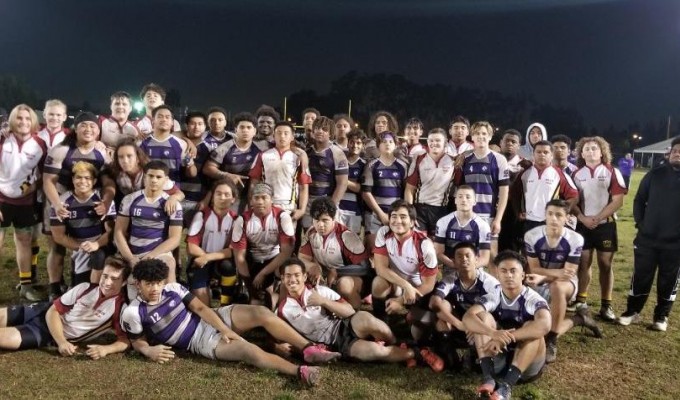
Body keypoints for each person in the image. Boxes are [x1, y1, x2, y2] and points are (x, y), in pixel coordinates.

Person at [121, 259, 341, 387]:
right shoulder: (133, 312)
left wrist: (224, 328)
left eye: (158, 283)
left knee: (261, 312)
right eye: (149, 284)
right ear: (137, 284)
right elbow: (137, 341)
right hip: (198, 340)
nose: (155, 289)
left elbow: (201, 308)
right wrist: (149, 351)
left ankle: (309, 349)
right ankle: (299, 371)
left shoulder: (173, 289)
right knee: (248, 350)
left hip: (212, 317)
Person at [277, 258, 444, 370]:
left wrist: (324, 302)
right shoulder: (282, 310)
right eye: (288, 276)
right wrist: (277, 346)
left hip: (344, 324)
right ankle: (417, 353)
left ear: (304, 276)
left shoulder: (320, 291)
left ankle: (397, 343)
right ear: (283, 279)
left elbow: (349, 311)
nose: (293, 280)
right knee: (377, 352)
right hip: (335, 344)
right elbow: (275, 333)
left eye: (297, 275)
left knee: (369, 320)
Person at [43, 111, 114, 300]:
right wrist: (57, 204)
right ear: (75, 129)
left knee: (95, 239)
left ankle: (91, 278)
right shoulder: (61, 150)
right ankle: (54, 286)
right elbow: (48, 181)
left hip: (88, 199)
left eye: (93, 126)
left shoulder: (101, 153)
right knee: (57, 246)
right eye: (84, 125)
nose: (88, 129)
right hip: (61, 199)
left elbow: (108, 184)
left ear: (98, 131)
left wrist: (106, 202)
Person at [0, 256, 130, 358]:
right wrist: (62, 342)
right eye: (105, 276)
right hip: (42, 311)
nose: (107, 282)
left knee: (5, 339)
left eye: (114, 279)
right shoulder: (84, 288)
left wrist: (106, 349)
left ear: (124, 282)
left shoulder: (120, 309)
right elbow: (53, 311)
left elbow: (125, 341)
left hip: (46, 333)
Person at [463, 250, 551, 400]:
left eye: (513, 271)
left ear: (522, 275)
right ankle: (488, 378)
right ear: (498, 274)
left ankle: (506, 387)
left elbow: (545, 325)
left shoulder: (532, 298)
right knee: (482, 317)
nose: (508, 275)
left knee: (533, 329)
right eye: (504, 271)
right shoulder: (493, 295)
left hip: (526, 368)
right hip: (499, 359)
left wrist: (506, 337)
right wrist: (493, 333)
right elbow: (467, 318)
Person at [524, 200, 602, 363]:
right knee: (534, 329)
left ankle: (552, 340)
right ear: (544, 216)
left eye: (559, 215)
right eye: (550, 214)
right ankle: (579, 319)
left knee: (557, 287)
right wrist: (554, 273)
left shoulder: (575, 239)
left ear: (567, 218)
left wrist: (545, 276)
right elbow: (534, 269)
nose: (553, 218)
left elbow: (568, 274)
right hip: (537, 280)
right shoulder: (532, 235)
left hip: (565, 284)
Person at [618, 137, 680, 331]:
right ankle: (632, 312)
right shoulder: (655, 174)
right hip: (647, 239)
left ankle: (661, 317)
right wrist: (641, 224)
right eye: (676, 150)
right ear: (669, 154)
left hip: (675, 244)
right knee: (641, 276)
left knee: (668, 281)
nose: (678, 154)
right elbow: (638, 200)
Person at [571, 136, 627, 321]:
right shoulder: (577, 174)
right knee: (584, 262)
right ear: (581, 153)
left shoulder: (612, 171)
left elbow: (619, 200)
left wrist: (598, 218)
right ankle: (581, 301)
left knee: (605, 264)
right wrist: (582, 218)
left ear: (602, 151)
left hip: (605, 225)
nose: (590, 151)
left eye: (594, 148)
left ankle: (606, 305)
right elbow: (572, 201)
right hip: (584, 225)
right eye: (586, 148)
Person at [0, 104, 48, 301]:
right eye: (19, 118)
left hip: (25, 202)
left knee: (24, 241)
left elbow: (44, 174)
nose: (23, 122)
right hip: (1, 199)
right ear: (13, 120)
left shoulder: (39, 144)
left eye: (28, 119)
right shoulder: (3, 138)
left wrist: (33, 186)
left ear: (33, 121)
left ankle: (26, 285)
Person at [114, 160, 183, 296]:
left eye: (158, 177)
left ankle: (173, 306)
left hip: (158, 252)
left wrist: (150, 256)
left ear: (166, 180)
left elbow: (175, 239)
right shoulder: (129, 200)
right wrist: (131, 258)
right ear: (144, 177)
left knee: (168, 264)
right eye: (150, 176)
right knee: (129, 292)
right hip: (132, 253)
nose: (154, 180)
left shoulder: (172, 204)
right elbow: (119, 232)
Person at [428, 242, 499, 369]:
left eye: (468, 255)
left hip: (485, 327)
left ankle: (478, 357)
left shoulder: (489, 282)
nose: (464, 259)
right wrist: (458, 324)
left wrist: (474, 325)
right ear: (454, 261)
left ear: (476, 259)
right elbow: (433, 303)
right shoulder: (450, 280)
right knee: (442, 309)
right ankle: (450, 358)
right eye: (459, 256)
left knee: (484, 315)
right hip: (463, 327)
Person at [371, 200, 438, 330]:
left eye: (403, 217)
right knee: (378, 283)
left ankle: (411, 316)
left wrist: (401, 301)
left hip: (419, 288)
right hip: (398, 283)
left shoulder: (424, 245)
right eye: (394, 216)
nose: (397, 221)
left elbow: (429, 285)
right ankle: (380, 323)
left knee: (418, 328)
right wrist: (405, 286)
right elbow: (380, 268)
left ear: (412, 222)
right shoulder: (383, 233)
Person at [50, 162, 116, 285]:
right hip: (79, 248)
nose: (83, 181)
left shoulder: (103, 200)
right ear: (73, 179)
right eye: (79, 177)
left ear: (95, 181)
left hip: (103, 245)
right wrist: (81, 247)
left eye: (87, 178)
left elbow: (112, 231)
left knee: (99, 257)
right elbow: (58, 235)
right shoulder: (61, 202)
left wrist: (97, 244)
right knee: (80, 288)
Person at [299, 197, 371, 309]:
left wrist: (337, 271)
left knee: (344, 284)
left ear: (333, 218)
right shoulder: (311, 233)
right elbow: (302, 258)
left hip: (354, 278)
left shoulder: (346, 236)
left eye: (325, 220)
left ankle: (354, 314)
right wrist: (313, 266)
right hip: (328, 276)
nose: (320, 225)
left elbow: (365, 268)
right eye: (316, 220)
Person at [231, 183, 294, 306]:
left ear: (272, 200)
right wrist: (251, 288)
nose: (260, 202)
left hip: (275, 259)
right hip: (253, 261)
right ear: (251, 201)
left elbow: (286, 252)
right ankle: (245, 293)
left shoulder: (283, 217)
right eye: (256, 198)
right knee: (256, 302)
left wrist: (263, 273)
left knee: (288, 266)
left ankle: (282, 302)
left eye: (264, 197)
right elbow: (240, 258)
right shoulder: (242, 220)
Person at [459, 121, 510, 272]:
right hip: (468, 216)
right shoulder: (465, 159)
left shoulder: (499, 159)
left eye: (484, 134)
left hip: (488, 215)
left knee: (492, 257)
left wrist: (498, 219)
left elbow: (504, 192)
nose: (481, 136)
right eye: (477, 133)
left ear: (490, 137)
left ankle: (494, 293)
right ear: (472, 136)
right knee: (468, 256)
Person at [186, 179, 239, 306]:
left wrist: (208, 257)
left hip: (220, 260)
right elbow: (191, 247)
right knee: (202, 305)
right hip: (200, 259)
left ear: (233, 199)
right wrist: (204, 258)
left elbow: (233, 250)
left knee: (228, 266)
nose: (222, 197)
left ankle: (225, 304)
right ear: (212, 196)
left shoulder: (237, 220)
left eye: (227, 194)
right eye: (218, 193)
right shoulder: (201, 216)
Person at [203, 112, 266, 213]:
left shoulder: (261, 148)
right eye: (242, 127)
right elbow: (207, 168)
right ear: (236, 130)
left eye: (249, 127)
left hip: (252, 198)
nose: (245, 130)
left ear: (254, 131)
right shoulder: (225, 148)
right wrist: (228, 175)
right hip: (229, 198)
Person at [512, 140, 578, 233]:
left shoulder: (559, 174)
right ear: (533, 154)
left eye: (545, 152)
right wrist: (517, 212)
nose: (542, 154)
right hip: (529, 222)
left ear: (551, 155)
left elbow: (574, 196)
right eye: (538, 152)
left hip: (550, 223)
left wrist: (560, 214)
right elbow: (514, 194)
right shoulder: (524, 174)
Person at [249, 121, 310, 221]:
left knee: (286, 236)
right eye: (279, 133)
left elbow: (303, 186)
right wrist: (252, 205)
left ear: (292, 137)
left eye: (286, 133)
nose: (282, 136)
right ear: (273, 135)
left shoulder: (299, 158)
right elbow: (253, 183)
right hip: (266, 205)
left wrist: (302, 210)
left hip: (289, 208)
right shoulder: (263, 155)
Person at [404, 128, 456, 237]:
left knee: (436, 246)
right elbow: (409, 189)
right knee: (419, 244)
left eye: (437, 140)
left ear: (445, 143)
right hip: (419, 209)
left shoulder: (453, 160)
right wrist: (409, 213)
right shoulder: (419, 157)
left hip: (440, 209)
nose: (434, 143)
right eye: (431, 140)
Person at [362, 132, 409, 249]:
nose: (387, 144)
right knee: (374, 252)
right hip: (375, 215)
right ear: (378, 146)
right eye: (384, 142)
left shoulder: (403, 166)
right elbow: (366, 193)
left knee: (394, 253)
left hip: (395, 215)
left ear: (395, 145)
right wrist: (381, 214)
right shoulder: (371, 165)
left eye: (390, 142)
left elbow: (407, 191)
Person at [434, 185, 491, 275]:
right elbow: (438, 252)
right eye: (460, 196)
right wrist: (453, 265)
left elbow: (485, 258)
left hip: (474, 269)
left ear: (474, 201)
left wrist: (468, 267)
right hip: (451, 267)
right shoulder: (443, 222)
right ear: (455, 200)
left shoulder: (483, 225)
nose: (464, 200)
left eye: (468, 197)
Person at [304, 116, 348, 229]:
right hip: (308, 202)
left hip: (327, 199)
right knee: (309, 237)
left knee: (327, 238)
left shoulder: (338, 153)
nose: (320, 131)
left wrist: (331, 206)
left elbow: (342, 183)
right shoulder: (307, 152)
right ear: (313, 131)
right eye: (317, 128)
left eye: (324, 129)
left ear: (331, 133)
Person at [140, 105, 196, 186]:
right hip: (148, 190)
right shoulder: (141, 143)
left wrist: (190, 164)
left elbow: (192, 174)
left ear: (172, 122)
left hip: (172, 192)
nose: (164, 119)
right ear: (153, 121)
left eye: (167, 117)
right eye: (160, 116)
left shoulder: (181, 144)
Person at [337, 130, 367, 234]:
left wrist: (344, 181)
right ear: (348, 143)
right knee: (336, 241)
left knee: (353, 244)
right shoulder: (339, 160)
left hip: (355, 210)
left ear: (363, 145)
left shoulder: (364, 165)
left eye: (358, 143)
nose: (355, 145)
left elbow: (361, 189)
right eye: (352, 142)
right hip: (337, 207)